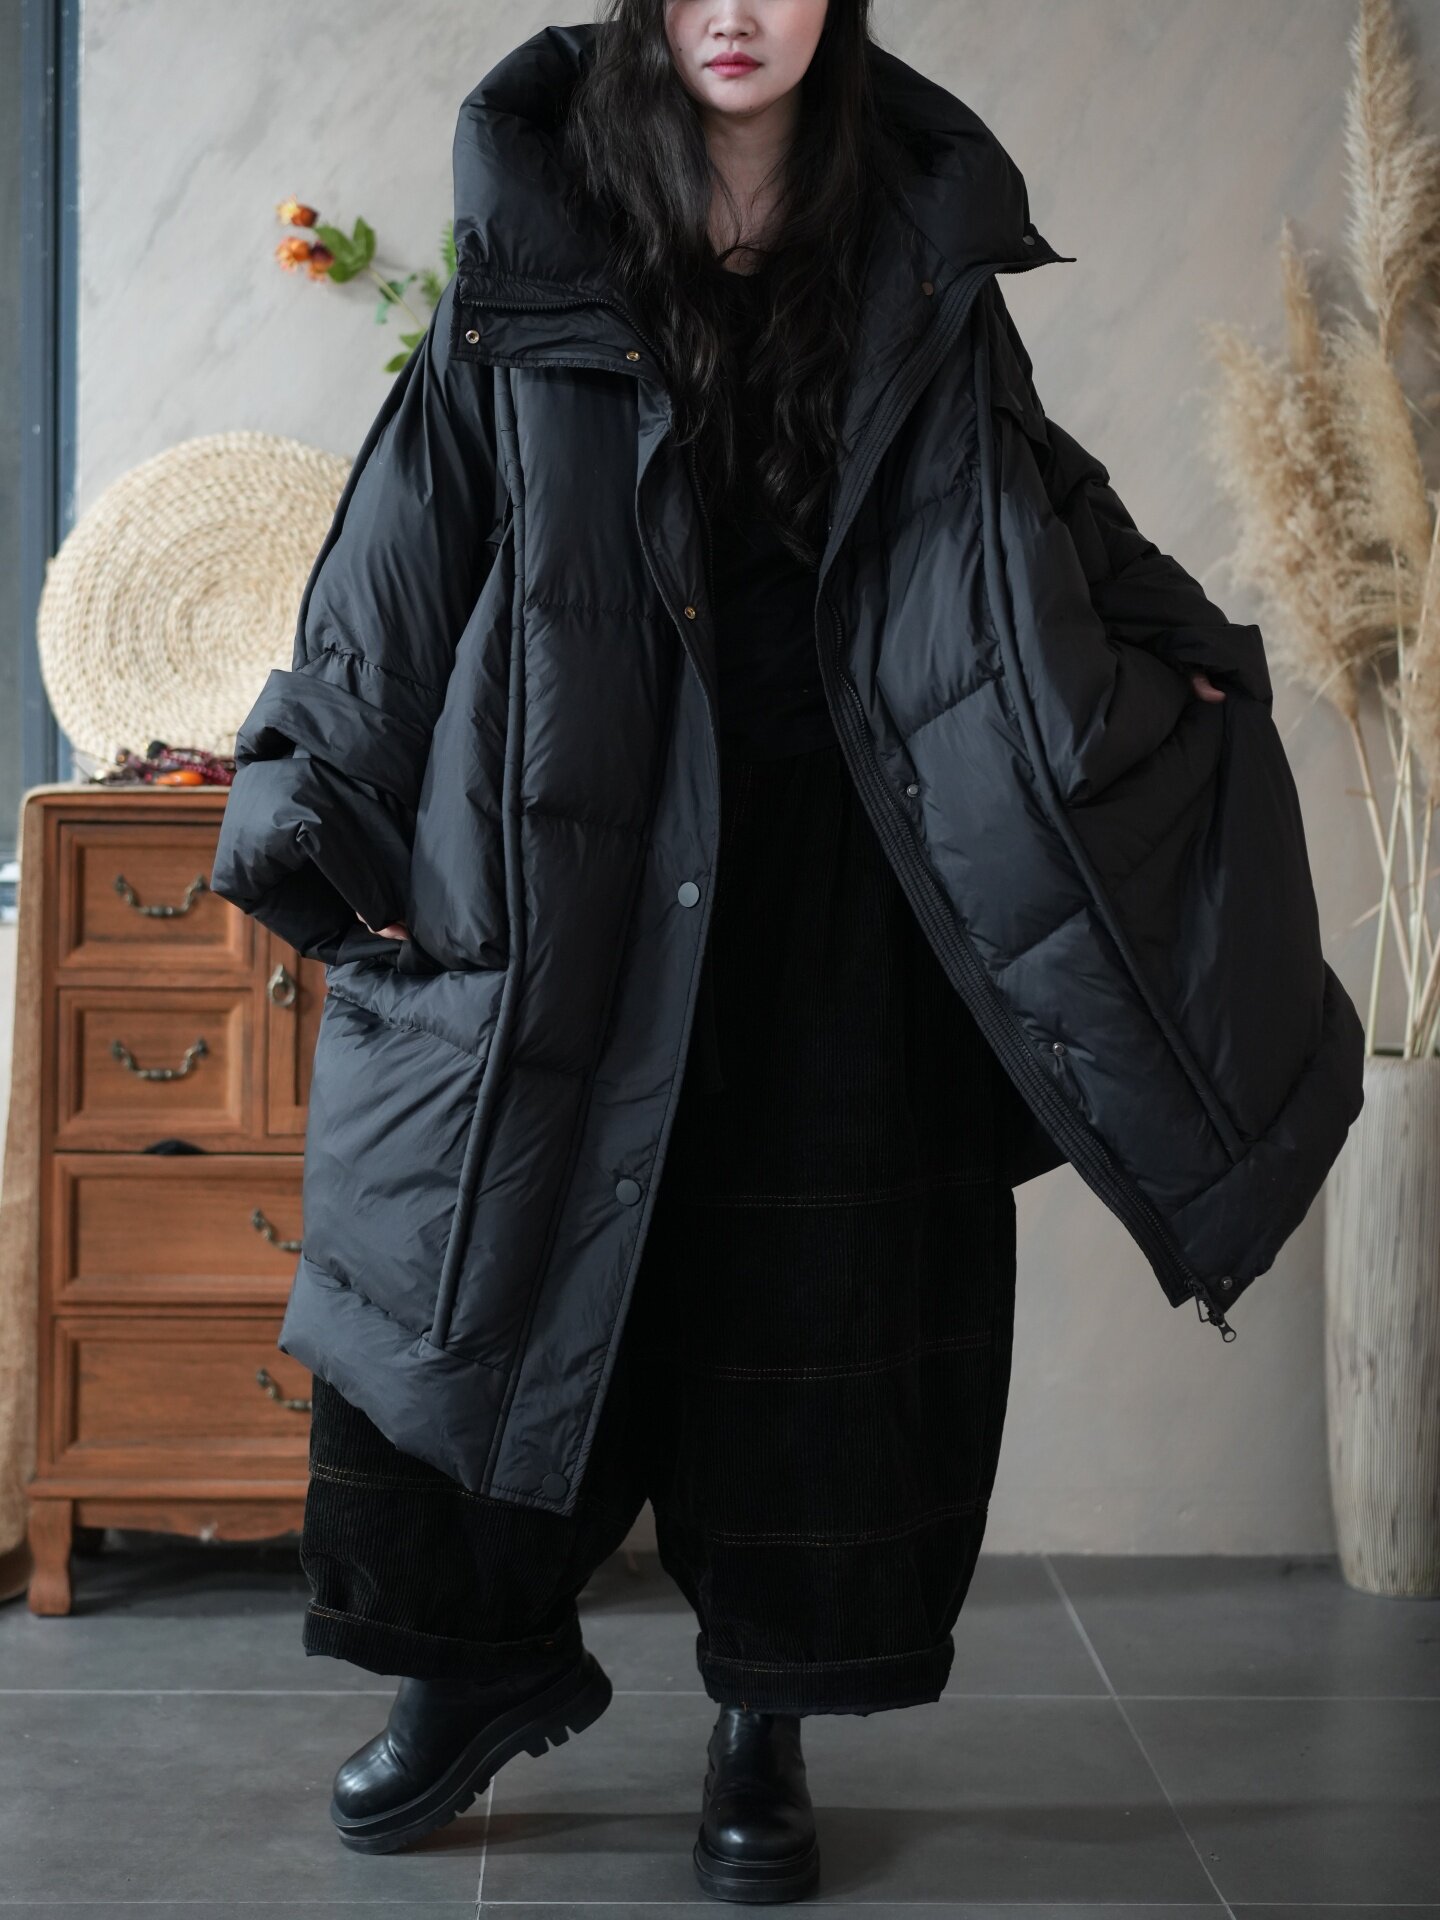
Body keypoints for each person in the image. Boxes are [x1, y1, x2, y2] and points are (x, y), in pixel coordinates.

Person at [210, 0, 1364, 1903]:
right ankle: (470, 1668)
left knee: (811, 1296)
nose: (736, 9)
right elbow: (415, 520)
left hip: (847, 868)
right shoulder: (537, 233)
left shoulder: (916, 238)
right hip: (577, 842)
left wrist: (1178, 647)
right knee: (487, 1240)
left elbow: (1035, 496)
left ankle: (767, 1716)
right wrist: (319, 795)